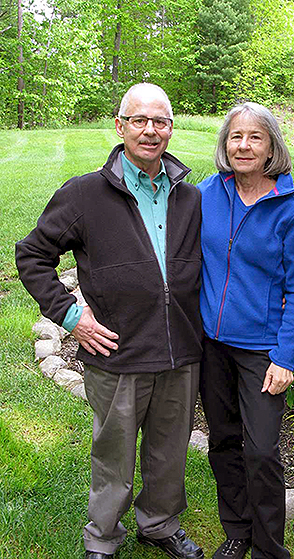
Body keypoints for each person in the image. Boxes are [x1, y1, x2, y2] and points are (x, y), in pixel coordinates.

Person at [15, 83, 204, 559]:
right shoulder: (84, 194)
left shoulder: (190, 197)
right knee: (113, 455)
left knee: (169, 452)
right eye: (139, 120)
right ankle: (102, 536)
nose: (150, 130)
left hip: (179, 349)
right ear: (120, 127)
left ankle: (159, 523)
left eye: (159, 121)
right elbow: (32, 255)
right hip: (116, 351)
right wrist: (71, 316)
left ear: (171, 129)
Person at [198, 102, 294, 559]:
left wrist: (286, 356)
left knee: (262, 451)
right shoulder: (206, 193)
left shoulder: (292, 208)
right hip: (211, 345)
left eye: (255, 137)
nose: (243, 145)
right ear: (225, 144)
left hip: (262, 351)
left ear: (271, 148)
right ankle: (237, 530)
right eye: (235, 136)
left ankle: (269, 548)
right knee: (223, 440)